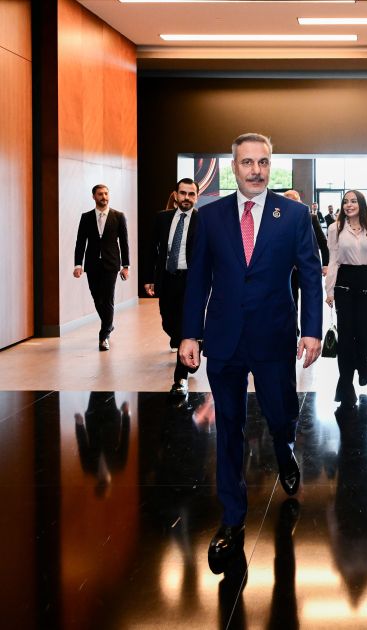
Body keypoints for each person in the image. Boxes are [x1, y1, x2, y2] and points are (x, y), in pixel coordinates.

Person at [179, 133, 323, 574]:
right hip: (224, 338)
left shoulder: (293, 214)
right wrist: (189, 334)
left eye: (263, 162)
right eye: (247, 162)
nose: (256, 170)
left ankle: (285, 448)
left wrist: (312, 330)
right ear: (233, 167)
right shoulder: (210, 216)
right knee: (229, 427)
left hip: (273, 337)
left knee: (280, 413)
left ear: (270, 165)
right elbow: (198, 278)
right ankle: (232, 519)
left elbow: (310, 273)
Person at [144, 178, 200, 397]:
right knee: (168, 321)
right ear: (176, 195)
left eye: (191, 194)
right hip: (167, 278)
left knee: (186, 325)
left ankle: (180, 376)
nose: (187, 198)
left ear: (196, 197)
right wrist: (149, 277)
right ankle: (192, 343)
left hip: (192, 280)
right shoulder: (162, 218)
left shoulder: (203, 220)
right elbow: (151, 249)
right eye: (183, 193)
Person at [325, 190, 367, 406]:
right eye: (345, 202)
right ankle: (346, 385)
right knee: (346, 334)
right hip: (344, 282)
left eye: (353, 201)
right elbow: (333, 260)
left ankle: (362, 362)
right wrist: (329, 290)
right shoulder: (335, 228)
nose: (349, 205)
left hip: (366, 280)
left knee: (365, 331)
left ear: (361, 204)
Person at [73, 184, 130, 351]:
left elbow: (124, 243)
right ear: (94, 197)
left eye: (106, 194)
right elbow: (80, 242)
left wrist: (126, 266)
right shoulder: (86, 217)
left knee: (108, 298)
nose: (104, 197)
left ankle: (104, 335)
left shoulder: (118, 216)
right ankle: (109, 323)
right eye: (100, 194)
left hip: (111, 264)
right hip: (92, 265)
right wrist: (78, 264)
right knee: (97, 298)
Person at [283, 190, 329, 336]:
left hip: (307, 267)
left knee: (310, 298)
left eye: (293, 200)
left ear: (299, 202)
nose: (290, 203)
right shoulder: (279, 219)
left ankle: (310, 332)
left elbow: (322, 242)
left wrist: (326, 264)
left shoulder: (311, 217)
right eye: (287, 200)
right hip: (288, 268)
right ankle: (293, 328)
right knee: (291, 298)